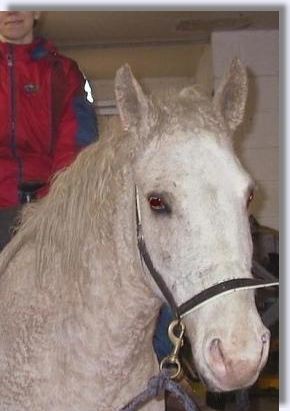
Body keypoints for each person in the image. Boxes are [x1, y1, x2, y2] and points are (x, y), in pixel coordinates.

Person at [0, 11, 98, 250]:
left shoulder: (64, 72)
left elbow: (77, 144)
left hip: (47, 211)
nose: (11, 10)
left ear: (36, 11)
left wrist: (57, 203)